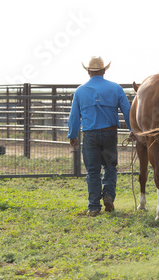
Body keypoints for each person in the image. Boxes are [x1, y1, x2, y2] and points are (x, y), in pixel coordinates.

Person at [68, 56, 132, 217]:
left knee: (92, 171)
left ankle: (94, 207)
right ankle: (109, 195)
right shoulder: (116, 88)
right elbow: (127, 111)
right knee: (110, 167)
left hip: (90, 134)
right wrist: (134, 130)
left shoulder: (80, 91)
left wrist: (72, 135)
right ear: (104, 71)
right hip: (110, 133)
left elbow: (74, 116)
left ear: (88, 72)